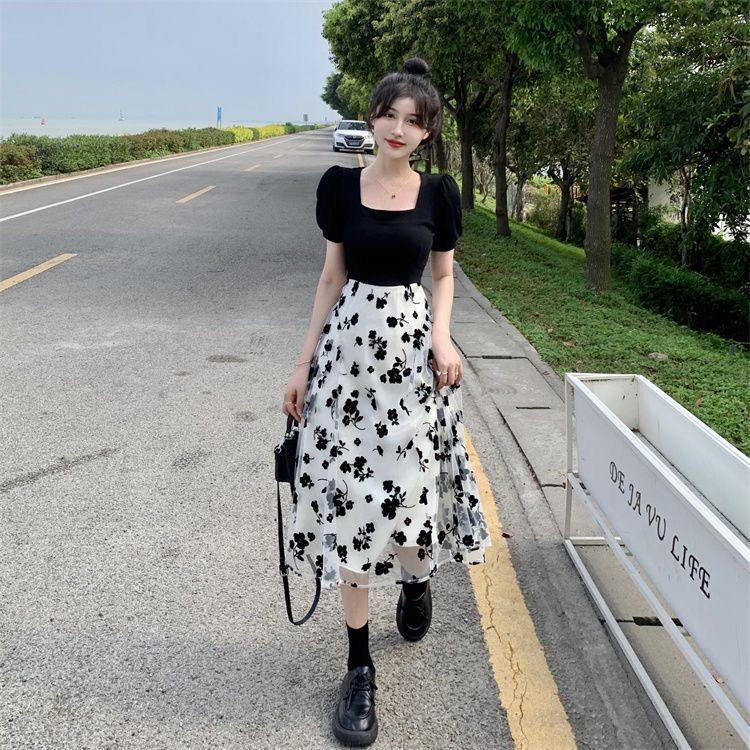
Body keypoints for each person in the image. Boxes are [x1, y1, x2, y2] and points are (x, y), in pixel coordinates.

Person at [280, 55, 492, 746]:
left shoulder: (439, 195)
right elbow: (330, 275)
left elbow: (444, 275)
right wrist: (303, 365)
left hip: (410, 364)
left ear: (428, 132)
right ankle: (359, 667)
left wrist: (443, 337)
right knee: (350, 504)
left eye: (414, 120)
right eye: (390, 115)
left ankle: (417, 577)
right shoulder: (340, 187)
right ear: (372, 117)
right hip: (347, 365)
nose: (399, 129)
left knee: (412, 497)